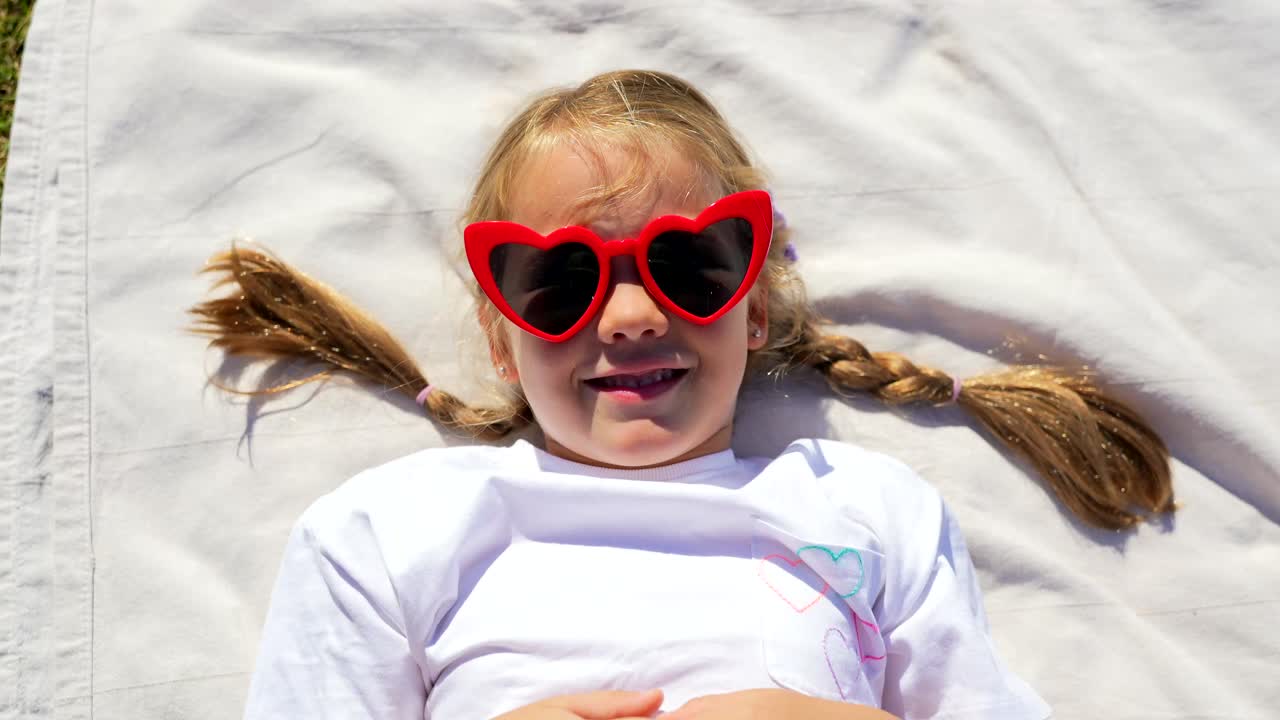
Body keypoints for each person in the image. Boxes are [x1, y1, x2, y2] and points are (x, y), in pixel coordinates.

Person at [190, 69, 1175, 720]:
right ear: (501, 334)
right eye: (561, 282)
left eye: (688, 266)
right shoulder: (386, 528)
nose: (624, 316)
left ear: (751, 311)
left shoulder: (866, 508)